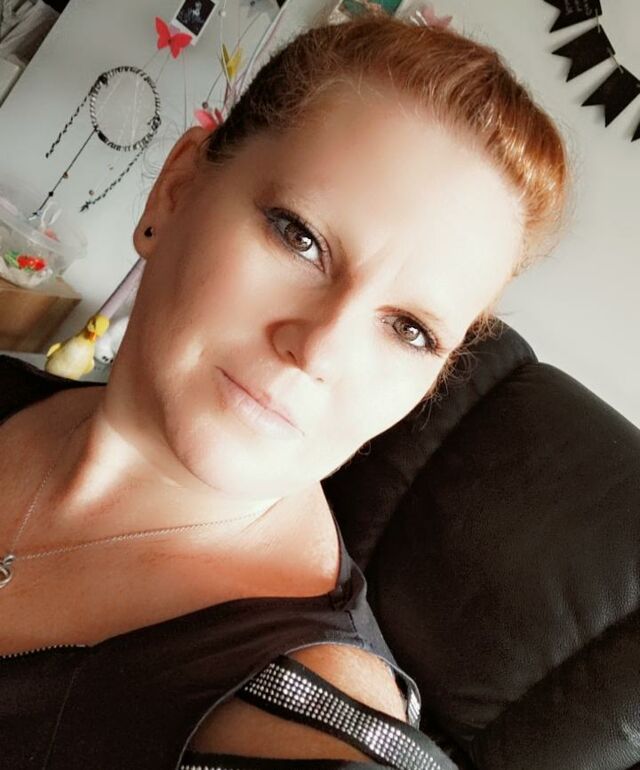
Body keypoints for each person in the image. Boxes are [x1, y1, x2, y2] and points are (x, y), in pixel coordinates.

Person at [0, 12, 571, 770]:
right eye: (300, 237)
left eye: (409, 329)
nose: (319, 348)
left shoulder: (314, 724)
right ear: (174, 191)